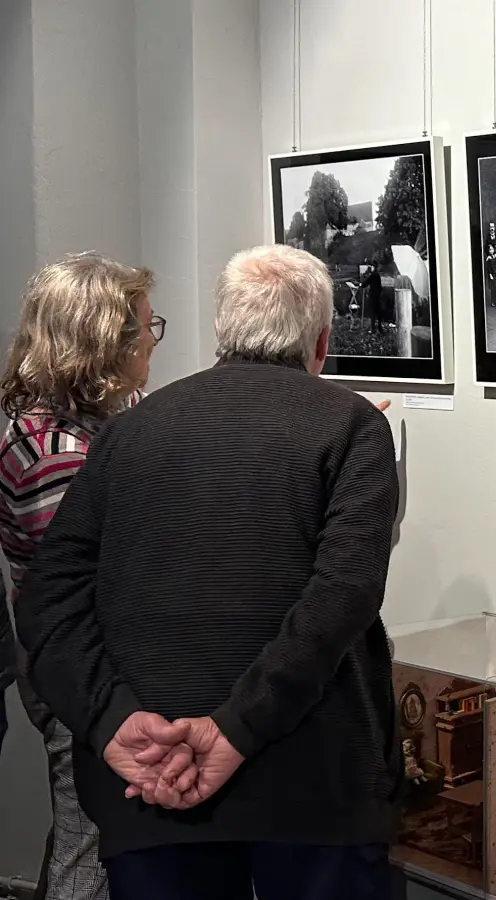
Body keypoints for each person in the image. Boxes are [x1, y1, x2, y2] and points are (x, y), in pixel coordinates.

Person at [14, 245, 400, 900]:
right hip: (310, 784)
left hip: (152, 782)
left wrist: (113, 722)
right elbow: (343, 594)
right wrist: (234, 729)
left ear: (223, 330)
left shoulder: (129, 432)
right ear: (323, 340)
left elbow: (46, 601)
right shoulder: (351, 425)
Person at [0, 252, 163, 900]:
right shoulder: (56, 455)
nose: (152, 342)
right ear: (103, 344)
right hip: (81, 673)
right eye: (146, 329)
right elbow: (71, 598)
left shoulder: (78, 427)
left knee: (81, 829)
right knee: (90, 839)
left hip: (74, 665)